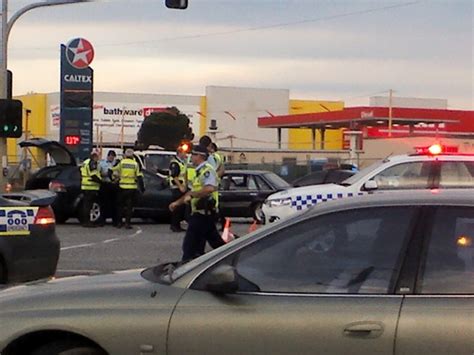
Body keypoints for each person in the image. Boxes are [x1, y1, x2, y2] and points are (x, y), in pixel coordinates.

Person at [169, 144, 224, 262]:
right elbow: (191, 192)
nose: (191, 157)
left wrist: (193, 195)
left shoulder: (207, 171)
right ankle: (230, 257)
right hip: (201, 213)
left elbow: (209, 188)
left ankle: (184, 268)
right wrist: (177, 203)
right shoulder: (198, 172)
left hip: (203, 212)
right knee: (214, 242)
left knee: (189, 246)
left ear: (200, 156)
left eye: (193, 155)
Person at [111, 148, 144, 229]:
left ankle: (119, 223)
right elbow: (139, 177)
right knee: (129, 207)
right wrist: (142, 188)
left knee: (120, 206)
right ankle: (127, 223)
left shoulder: (121, 163)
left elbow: (112, 170)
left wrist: (113, 180)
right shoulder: (135, 164)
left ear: (125, 155)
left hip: (122, 187)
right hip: (131, 188)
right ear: (132, 155)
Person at [168, 145, 188, 232]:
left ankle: (177, 225)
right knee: (177, 208)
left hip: (181, 187)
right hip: (177, 188)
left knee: (181, 208)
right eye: (184, 153)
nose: (185, 154)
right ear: (179, 153)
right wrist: (180, 187)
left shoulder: (181, 162)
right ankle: (174, 225)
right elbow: (174, 176)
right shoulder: (175, 163)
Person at [80, 151, 102, 228]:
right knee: (88, 206)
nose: (98, 159)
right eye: (97, 157)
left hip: (86, 185)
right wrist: (101, 182)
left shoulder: (86, 162)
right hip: (90, 186)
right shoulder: (92, 163)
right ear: (94, 156)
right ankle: (87, 222)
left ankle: (85, 221)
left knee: (86, 205)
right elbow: (93, 175)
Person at [98, 150, 119, 226]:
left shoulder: (117, 163)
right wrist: (105, 174)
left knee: (114, 204)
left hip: (114, 185)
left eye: (113, 157)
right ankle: (102, 221)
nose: (111, 158)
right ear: (108, 156)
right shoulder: (102, 163)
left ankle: (115, 221)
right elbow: (99, 173)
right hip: (105, 184)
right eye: (110, 156)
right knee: (103, 204)